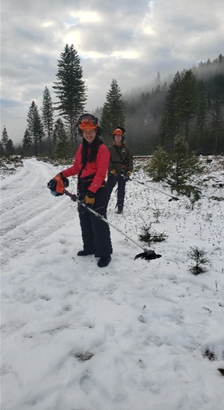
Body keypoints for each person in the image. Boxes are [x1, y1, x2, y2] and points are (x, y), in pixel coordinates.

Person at [52, 114, 112, 268]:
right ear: (81, 132)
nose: (88, 134)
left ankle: (104, 253)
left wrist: (92, 193)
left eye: (91, 130)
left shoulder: (102, 149)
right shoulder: (82, 148)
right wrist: (63, 174)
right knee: (85, 220)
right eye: (85, 131)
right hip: (83, 187)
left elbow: (101, 173)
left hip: (97, 189)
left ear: (96, 130)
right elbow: (77, 168)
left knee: (98, 222)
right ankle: (89, 247)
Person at [106, 126, 133, 214]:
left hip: (123, 173)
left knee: (121, 190)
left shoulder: (127, 149)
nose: (118, 137)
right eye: (116, 136)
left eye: (119, 136)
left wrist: (129, 170)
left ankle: (120, 207)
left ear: (122, 137)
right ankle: (103, 205)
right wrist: (111, 169)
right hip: (112, 174)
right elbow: (107, 160)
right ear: (114, 137)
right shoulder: (109, 149)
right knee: (108, 190)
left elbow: (130, 160)